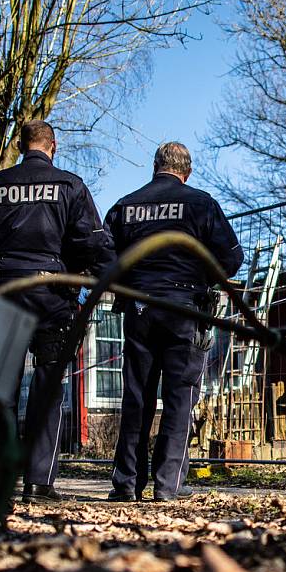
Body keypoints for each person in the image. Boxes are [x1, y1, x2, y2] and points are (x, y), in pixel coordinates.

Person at [0, 120, 113, 503]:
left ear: (21, 146)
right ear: (53, 146)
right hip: (53, 294)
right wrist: (77, 274)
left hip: (6, 287)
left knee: (2, 387)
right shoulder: (70, 186)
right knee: (47, 385)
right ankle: (40, 482)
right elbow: (91, 242)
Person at [104, 142, 243, 501]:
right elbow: (232, 258)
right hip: (185, 307)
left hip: (138, 307)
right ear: (188, 171)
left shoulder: (125, 206)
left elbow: (104, 257)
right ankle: (167, 486)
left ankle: (126, 485)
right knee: (180, 397)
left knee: (137, 396)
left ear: (155, 167)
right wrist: (203, 278)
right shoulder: (201, 204)